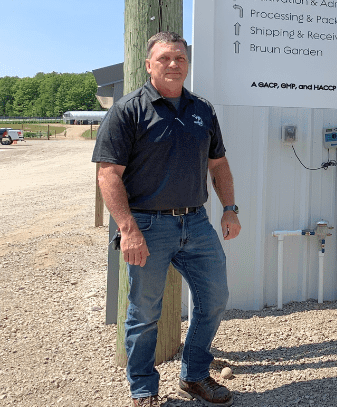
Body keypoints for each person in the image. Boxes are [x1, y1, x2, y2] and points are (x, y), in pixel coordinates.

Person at [93, 32, 241, 407]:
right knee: (144, 312)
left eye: (180, 58)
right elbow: (108, 173)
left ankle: (193, 377)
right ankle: (143, 390)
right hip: (147, 226)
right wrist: (127, 229)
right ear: (148, 65)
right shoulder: (129, 110)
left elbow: (218, 164)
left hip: (196, 223)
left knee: (215, 298)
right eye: (165, 58)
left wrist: (230, 208)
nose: (174, 64)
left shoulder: (202, 109)